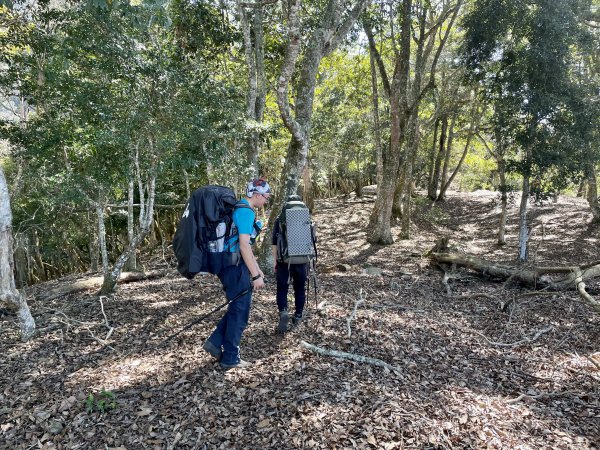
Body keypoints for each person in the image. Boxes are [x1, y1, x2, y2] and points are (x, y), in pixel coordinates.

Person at [202, 177, 271, 369]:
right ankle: (230, 358)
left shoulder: (239, 208)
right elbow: (243, 246)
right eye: (266, 196)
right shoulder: (245, 212)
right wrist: (255, 276)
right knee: (240, 311)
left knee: (237, 308)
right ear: (256, 195)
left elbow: (246, 246)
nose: (266, 200)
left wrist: (258, 271)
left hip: (232, 266)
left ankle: (215, 343)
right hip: (233, 267)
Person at [271, 195, 309, 334]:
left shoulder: (280, 219)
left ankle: (284, 313)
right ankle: (298, 316)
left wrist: (276, 261)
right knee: (299, 288)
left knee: (282, 289)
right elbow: (313, 239)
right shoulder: (306, 218)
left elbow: (274, 244)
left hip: (284, 261)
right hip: (302, 260)